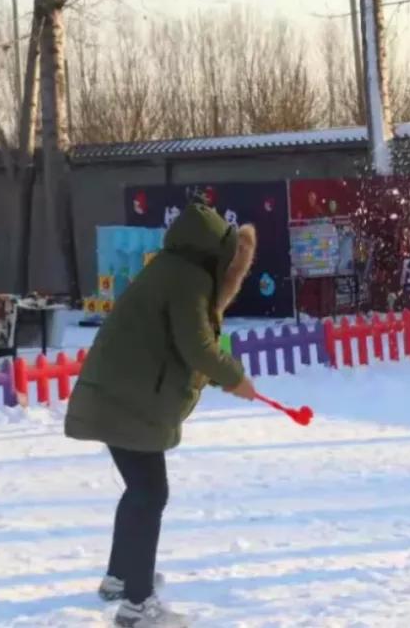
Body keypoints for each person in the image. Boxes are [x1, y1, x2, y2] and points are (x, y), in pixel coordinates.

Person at [65, 202, 259, 628]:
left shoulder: (172, 269)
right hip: (126, 402)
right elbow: (197, 348)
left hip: (119, 395)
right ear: (216, 252)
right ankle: (137, 606)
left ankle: (120, 578)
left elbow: (176, 346)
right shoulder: (187, 280)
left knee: (140, 489)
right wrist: (234, 377)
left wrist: (216, 376)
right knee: (150, 493)